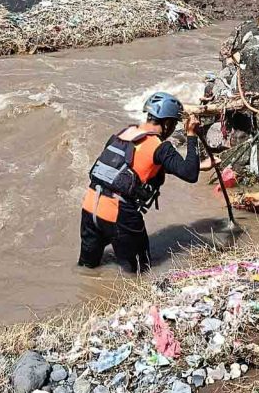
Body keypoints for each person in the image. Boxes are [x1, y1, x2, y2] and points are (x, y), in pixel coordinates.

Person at [78, 92, 201, 273]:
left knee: (87, 269)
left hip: (90, 208)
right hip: (119, 214)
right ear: (167, 123)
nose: (174, 128)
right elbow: (190, 174)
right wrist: (191, 135)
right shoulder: (159, 145)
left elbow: (132, 167)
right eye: (174, 124)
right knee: (140, 272)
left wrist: (201, 165)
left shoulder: (123, 133)